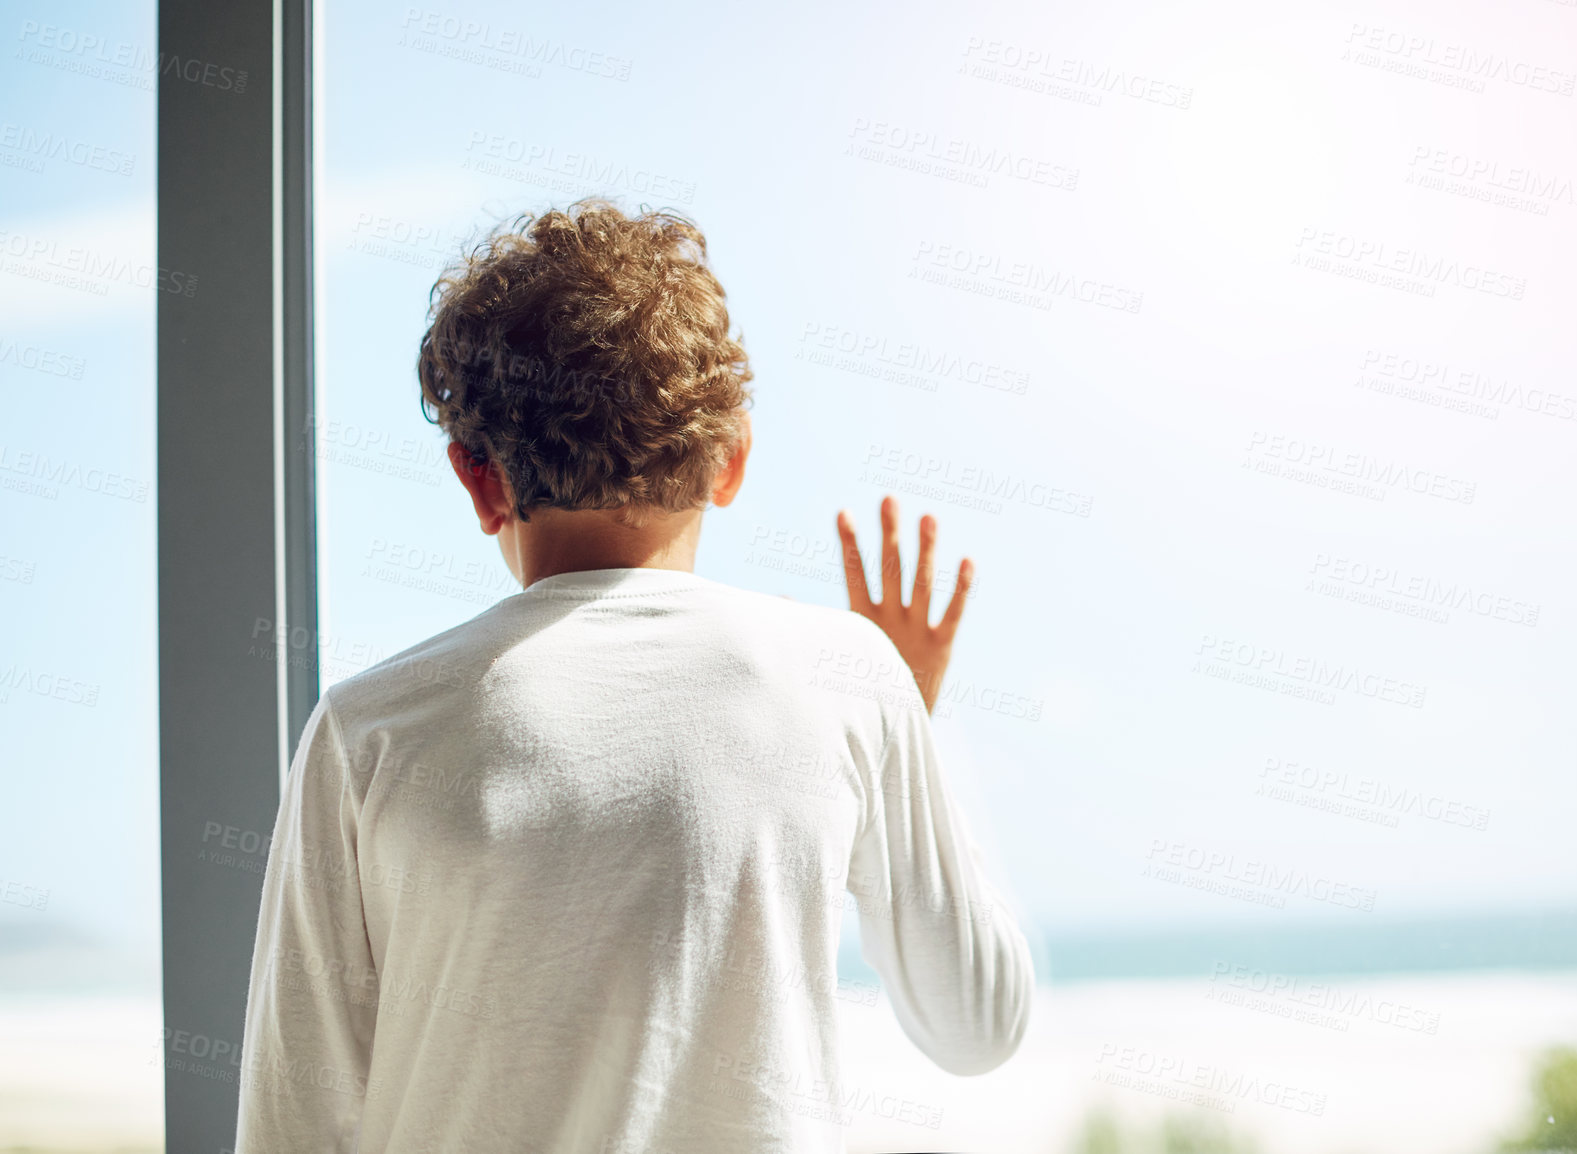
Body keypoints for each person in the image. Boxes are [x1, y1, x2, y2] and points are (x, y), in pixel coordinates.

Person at [234, 197, 1033, 1153]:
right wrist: (905, 710)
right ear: (730, 463)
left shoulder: (369, 728)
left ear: (478, 480)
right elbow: (977, 1025)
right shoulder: (846, 678)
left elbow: (292, 1121)